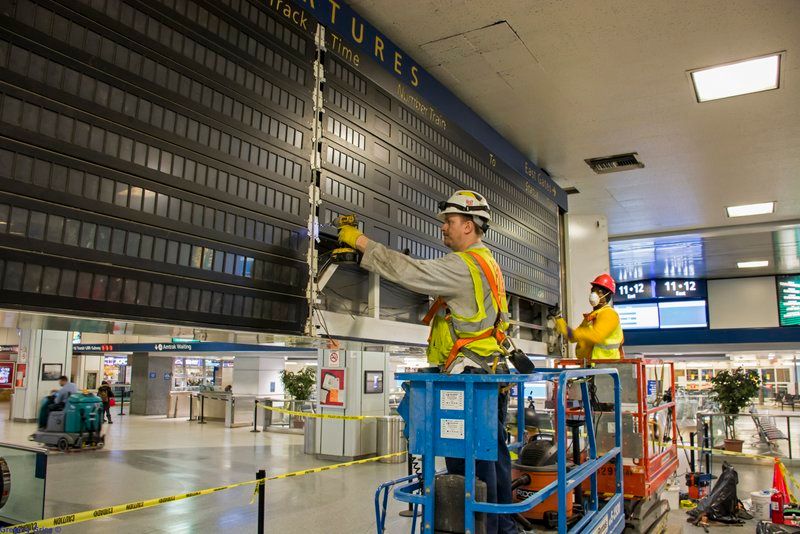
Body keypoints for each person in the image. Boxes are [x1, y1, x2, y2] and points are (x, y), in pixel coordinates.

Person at [338, 190, 517, 534]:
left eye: (449, 222)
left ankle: (483, 529)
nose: (443, 229)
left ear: (469, 225)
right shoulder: (488, 263)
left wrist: (359, 241)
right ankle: (502, 526)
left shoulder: (463, 266)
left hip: (468, 379)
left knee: (468, 467)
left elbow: (411, 272)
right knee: (492, 458)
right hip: (490, 373)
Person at [555, 274, 624, 362]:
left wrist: (575, 334)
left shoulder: (609, 314)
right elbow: (572, 337)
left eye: (599, 292)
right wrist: (558, 318)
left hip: (605, 365)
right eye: (593, 291)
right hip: (590, 365)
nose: (593, 294)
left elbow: (597, 336)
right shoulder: (591, 317)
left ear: (608, 295)